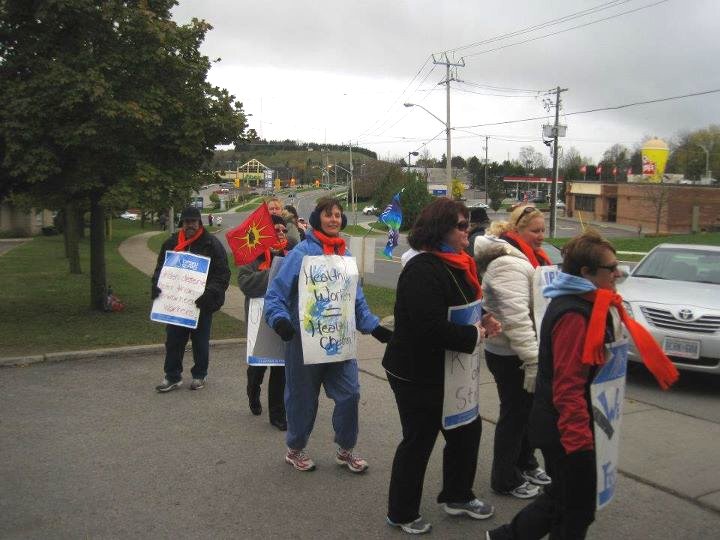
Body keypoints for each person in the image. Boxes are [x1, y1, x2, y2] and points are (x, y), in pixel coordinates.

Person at [486, 230, 679, 540]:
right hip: (565, 429)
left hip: (574, 424)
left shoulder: (594, 304)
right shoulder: (575, 314)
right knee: (576, 508)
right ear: (586, 273)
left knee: (563, 498)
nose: (618, 273)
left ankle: (505, 536)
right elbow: (568, 386)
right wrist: (579, 443)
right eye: (611, 268)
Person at [382, 198, 502, 535]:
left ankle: (457, 495)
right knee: (419, 440)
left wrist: (485, 318)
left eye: (468, 225)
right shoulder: (422, 269)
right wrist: (473, 333)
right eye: (462, 226)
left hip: (452, 369)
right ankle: (401, 512)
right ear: (440, 230)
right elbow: (428, 327)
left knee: (466, 430)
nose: (469, 231)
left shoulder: (460, 262)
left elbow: (466, 305)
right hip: (416, 372)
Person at [264, 197, 392, 473]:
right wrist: (281, 321)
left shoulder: (345, 257)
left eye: (337, 214)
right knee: (302, 400)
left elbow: (355, 301)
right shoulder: (300, 254)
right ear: (317, 219)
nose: (334, 219)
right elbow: (275, 295)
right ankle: (295, 449)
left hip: (339, 342)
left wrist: (374, 326)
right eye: (328, 214)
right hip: (303, 343)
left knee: (350, 394)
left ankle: (346, 449)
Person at [473, 205, 553, 500]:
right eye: (535, 230)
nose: (541, 236)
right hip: (510, 353)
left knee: (529, 411)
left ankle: (525, 462)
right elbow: (516, 317)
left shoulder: (529, 258)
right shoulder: (508, 263)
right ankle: (504, 477)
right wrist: (532, 359)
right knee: (515, 414)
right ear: (516, 230)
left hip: (523, 349)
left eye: (543, 230)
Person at [151, 206, 230, 392]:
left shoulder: (211, 244)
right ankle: (172, 376)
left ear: (199, 223)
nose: (190, 225)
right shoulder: (171, 244)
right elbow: (160, 269)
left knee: (200, 341)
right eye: (187, 222)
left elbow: (222, 274)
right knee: (173, 340)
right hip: (176, 303)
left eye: (194, 222)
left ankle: (199, 375)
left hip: (203, 303)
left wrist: (210, 293)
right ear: (182, 224)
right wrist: (155, 285)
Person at [238, 214, 291, 430]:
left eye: (283, 230)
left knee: (281, 369)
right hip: (258, 321)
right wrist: (274, 273)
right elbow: (245, 283)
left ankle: (277, 414)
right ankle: (253, 389)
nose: (280, 233)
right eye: (276, 229)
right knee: (258, 368)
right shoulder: (254, 255)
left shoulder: (292, 254)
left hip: (282, 320)